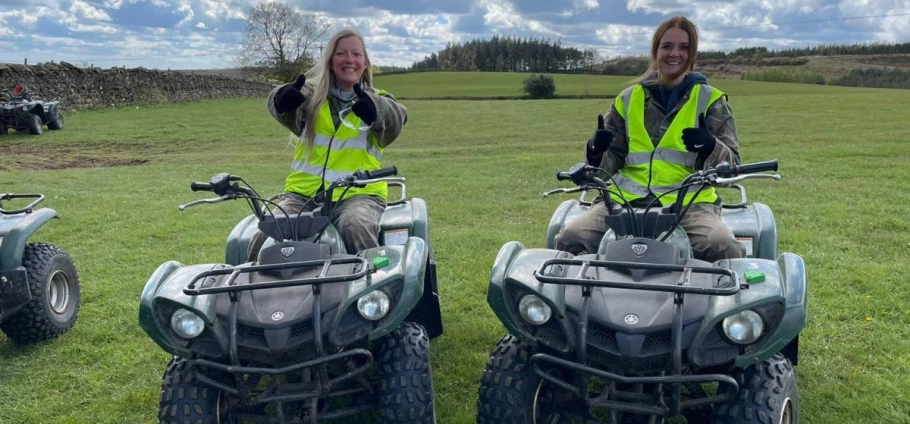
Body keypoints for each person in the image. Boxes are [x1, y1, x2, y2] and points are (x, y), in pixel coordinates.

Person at [554, 16, 745, 262]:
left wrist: (711, 148)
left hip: (688, 206)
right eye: (667, 46)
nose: (674, 54)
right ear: (656, 51)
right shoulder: (627, 98)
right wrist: (595, 151)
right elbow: (601, 173)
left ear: (692, 53)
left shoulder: (711, 101)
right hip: (624, 202)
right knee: (571, 237)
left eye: (683, 47)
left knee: (723, 246)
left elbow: (733, 168)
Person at [249, 28, 408, 260]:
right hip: (303, 195)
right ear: (331, 62)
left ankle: (376, 294)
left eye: (356, 54)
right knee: (265, 235)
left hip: (358, 195)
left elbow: (396, 119)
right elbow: (278, 102)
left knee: (355, 227)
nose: (349, 60)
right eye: (341, 53)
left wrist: (375, 110)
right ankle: (248, 294)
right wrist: (281, 99)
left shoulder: (377, 99)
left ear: (365, 64)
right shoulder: (311, 97)